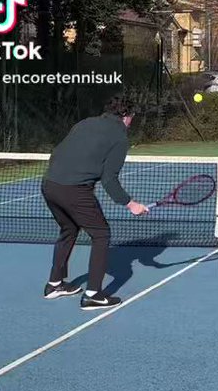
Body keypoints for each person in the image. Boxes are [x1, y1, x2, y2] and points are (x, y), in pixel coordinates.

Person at [41, 96, 149, 309]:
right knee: (101, 234)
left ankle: (54, 284)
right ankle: (93, 294)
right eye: (132, 118)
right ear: (127, 117)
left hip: (49, 184)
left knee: (69, 229)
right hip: (74, 191)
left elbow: (58, 152)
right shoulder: (120, 137)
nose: (131, 122)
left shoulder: (85, 123)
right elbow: (109, 178)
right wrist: (130, 203)